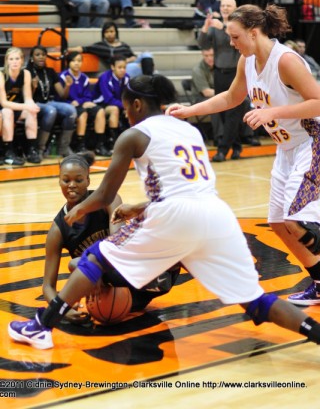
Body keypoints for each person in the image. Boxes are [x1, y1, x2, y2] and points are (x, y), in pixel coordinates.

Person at [8, 74, 320, 350]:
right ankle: (315, 332)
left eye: (127, 106)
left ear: (138, 105)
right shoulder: (188, 131)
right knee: (255, 300)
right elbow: (188, 187)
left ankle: (39, 327)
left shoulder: (134, 134)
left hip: (175, 215)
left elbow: (104, 194)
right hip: (215, 214)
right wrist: (140, 207)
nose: (126, 112)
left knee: (94, 258)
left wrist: (78, 211)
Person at [167, 3, 320, 306]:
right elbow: (231, 97)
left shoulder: (286, 61)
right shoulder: (247, 61)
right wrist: (189, 111)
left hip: (311, 142)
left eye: (235, 37)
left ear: (253, 32)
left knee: (296, 220)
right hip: (287, 147)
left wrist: (274, 112)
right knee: (278, 222)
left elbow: (318, 102)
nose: (231, 43)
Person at [43, 151, 178, 325]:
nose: (72, 185)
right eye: (66, 180)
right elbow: (48, 286)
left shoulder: (109, 200)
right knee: (105, 305)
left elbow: (119, 243)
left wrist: (93, 266)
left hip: (131, 266)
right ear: (59, 181)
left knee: (77, 263)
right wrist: (62, 310)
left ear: (88, 181)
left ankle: (166, 268)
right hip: (121, 291)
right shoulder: (57, 230)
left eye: (78, 180)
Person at [198, 0, 245, 161]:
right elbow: (202, 44)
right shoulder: (216, 25)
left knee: (232, 112)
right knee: (224, 113)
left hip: (235, 74)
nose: (225, 8)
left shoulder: (240, 25)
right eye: (223, 5)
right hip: (219, 73)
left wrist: (224, 26)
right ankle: (237, 146)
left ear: (235, 8)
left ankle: (222, 151)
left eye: (229, 5)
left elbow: (237, 41)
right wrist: (205, 27)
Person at [26, 45, 77, 158]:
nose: (41, 57)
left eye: (43, 55)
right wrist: (33, 87)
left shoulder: (50, 71)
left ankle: (63, 148)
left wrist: (67, 86)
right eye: (37, 55)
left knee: (71, 110)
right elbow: (27, 97)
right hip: (34, 103)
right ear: (31, 57)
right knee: (51, 111)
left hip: (49, 102)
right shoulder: (27, 72)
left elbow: (62, 95)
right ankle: (40, 148)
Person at [59, 51, 110, 156]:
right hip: (68, 105)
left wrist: (81, 101)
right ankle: (80, 145)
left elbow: (88, 96)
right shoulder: (63, 76)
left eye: (79, 61)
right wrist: (74, 102)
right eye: (73, 61)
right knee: (83, 113)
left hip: (81, 104)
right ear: (68, 63)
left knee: (100, 111)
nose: (76, 63)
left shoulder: (84, 78)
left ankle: (99, 145)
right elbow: (60, 96)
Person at [68, 21, 155, 78]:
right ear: (103, 34)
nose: (109, 34)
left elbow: (133, 56)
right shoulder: (100, 46)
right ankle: (149, 77)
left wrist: (127, 60)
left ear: (116, 33)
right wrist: (67, 49)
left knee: (147, 54)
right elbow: (83, 48)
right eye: (106, 32)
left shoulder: (124, 45)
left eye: (111, 31)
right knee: (138, 67)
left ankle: (149, 78)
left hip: (128, 63)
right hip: (118, 69)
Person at [0, 47, 40, 165]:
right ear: (7, 61)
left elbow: (28, 98)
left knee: (32, 112)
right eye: (11, 59)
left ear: (22, 60)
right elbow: (3, 103)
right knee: (8, 112)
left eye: (17, 58)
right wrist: (26, 106)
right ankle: (8, 151)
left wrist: (32, 106)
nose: (14, 61)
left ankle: (31, 150)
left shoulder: (26, 73)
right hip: (3, 108)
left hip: (17, 106)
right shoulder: (1, 75)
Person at [93, 55, 130, 152]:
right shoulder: (105, 78)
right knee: (114, 110)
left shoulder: (126, 78)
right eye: (120, 67)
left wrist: (128, 107)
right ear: (112, 67)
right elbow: (108, 99)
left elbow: (129, 96)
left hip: (117, 103)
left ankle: (130, 141)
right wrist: (126, 106)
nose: (122, 70)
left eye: (124, 67)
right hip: (100, 104)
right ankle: (112, 143)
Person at [190, 47, 223, 145]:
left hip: (215, 96)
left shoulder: (220, 66)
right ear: (202, 55)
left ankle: (246, 135)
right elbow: (206, 92)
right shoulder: (197, 70)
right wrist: (226, 93)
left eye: (212, 55)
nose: (209, 58)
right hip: (199, 99)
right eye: (206, 56)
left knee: (244, 101)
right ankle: (219, 137)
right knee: (215, 104)